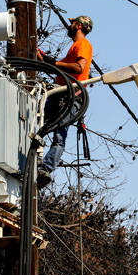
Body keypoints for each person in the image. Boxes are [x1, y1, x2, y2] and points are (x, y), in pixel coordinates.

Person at [36, 15, 93, 188]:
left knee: (59, 134)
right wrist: (43, 59)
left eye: (72, 23)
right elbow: (63, 67)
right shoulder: (75, 46)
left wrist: (53, 62)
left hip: (69, 96)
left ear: (78, 26)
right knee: (37, 123)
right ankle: (34, 160)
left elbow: (79, 67)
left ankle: (45, 169)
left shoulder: (82, 44)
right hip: (59, 93)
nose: (69, 26)